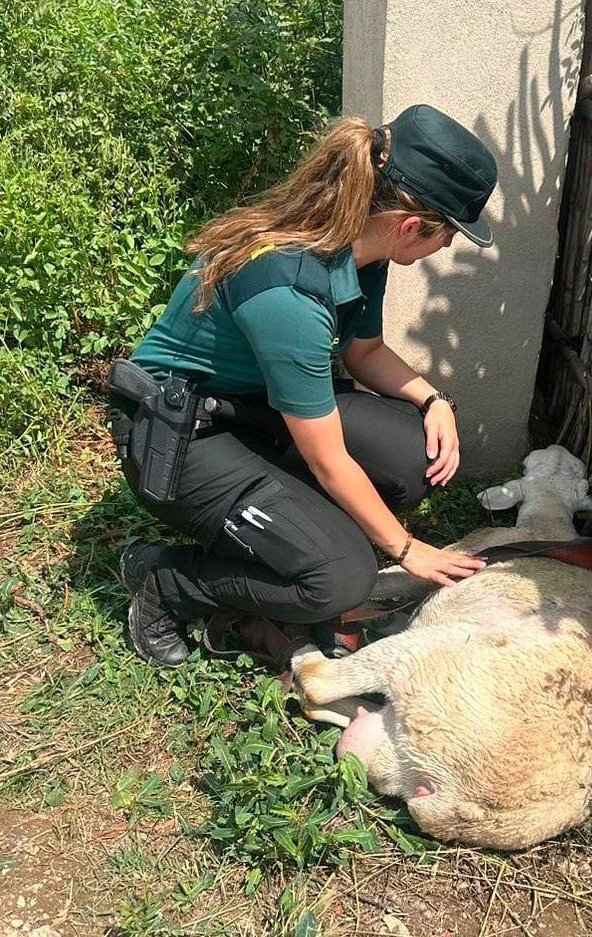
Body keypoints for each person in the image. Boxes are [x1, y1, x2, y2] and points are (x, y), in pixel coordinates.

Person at [110, 103, 498, 667]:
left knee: (411, 454)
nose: (446, 250)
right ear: (412, 226)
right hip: (182, 437)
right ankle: (166, 581)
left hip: (252, 408)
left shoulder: (361, 246)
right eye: (448, 237)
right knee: (341, 580)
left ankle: (294, 537)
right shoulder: (289, 289)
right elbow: (328, 461)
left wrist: (433, 400)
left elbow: (362, 352)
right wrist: (408, 550)